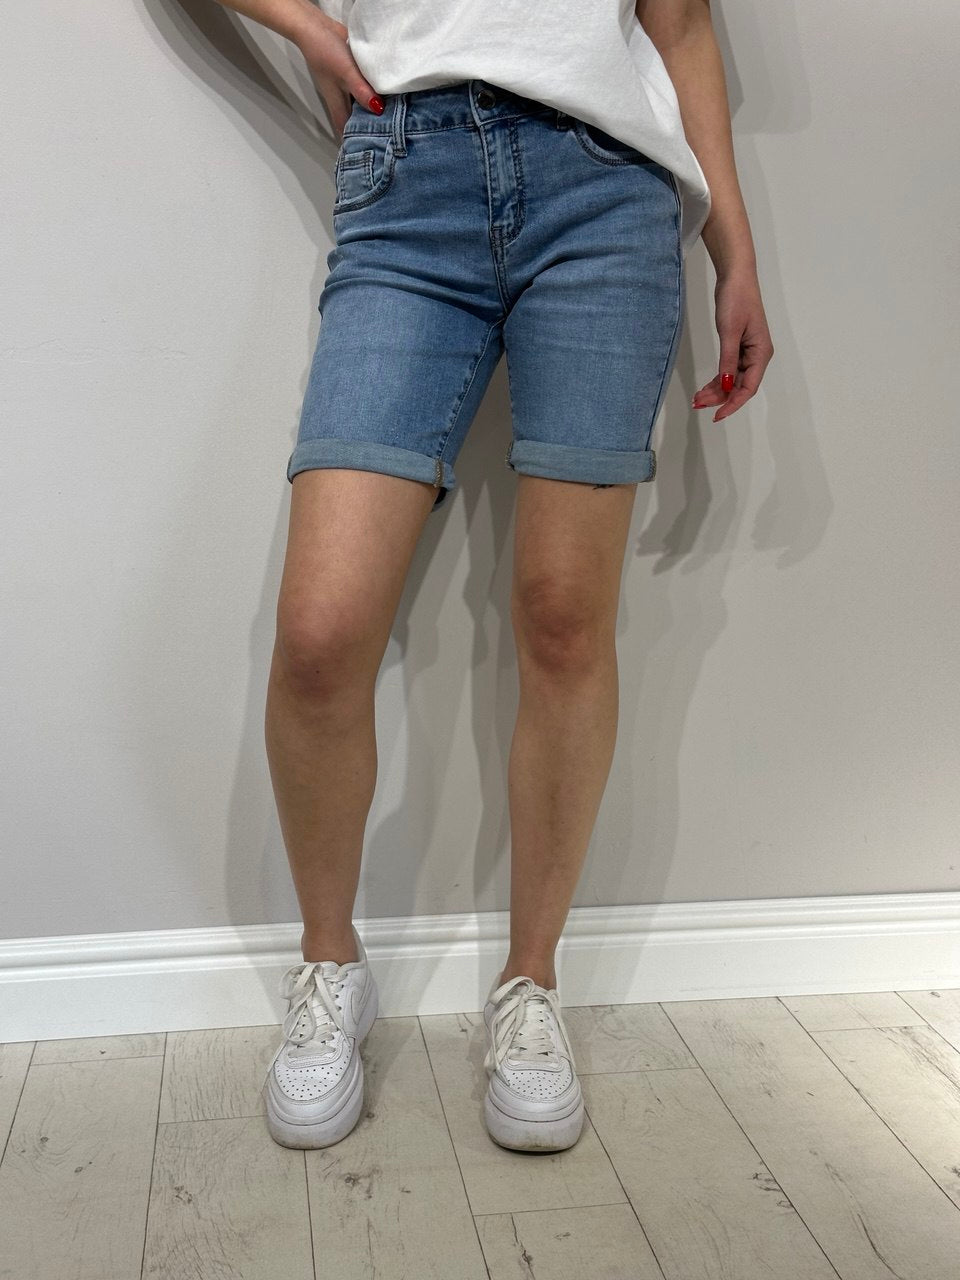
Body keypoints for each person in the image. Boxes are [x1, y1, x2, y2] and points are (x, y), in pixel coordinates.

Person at [211, 0, 774, 1153]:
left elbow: (679, 26)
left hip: (607, 195)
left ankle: (530, 985)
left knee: (564, 618)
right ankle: (330, 964)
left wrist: (736, 252)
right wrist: (308, 30)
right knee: (320, 631)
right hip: (406, 180)